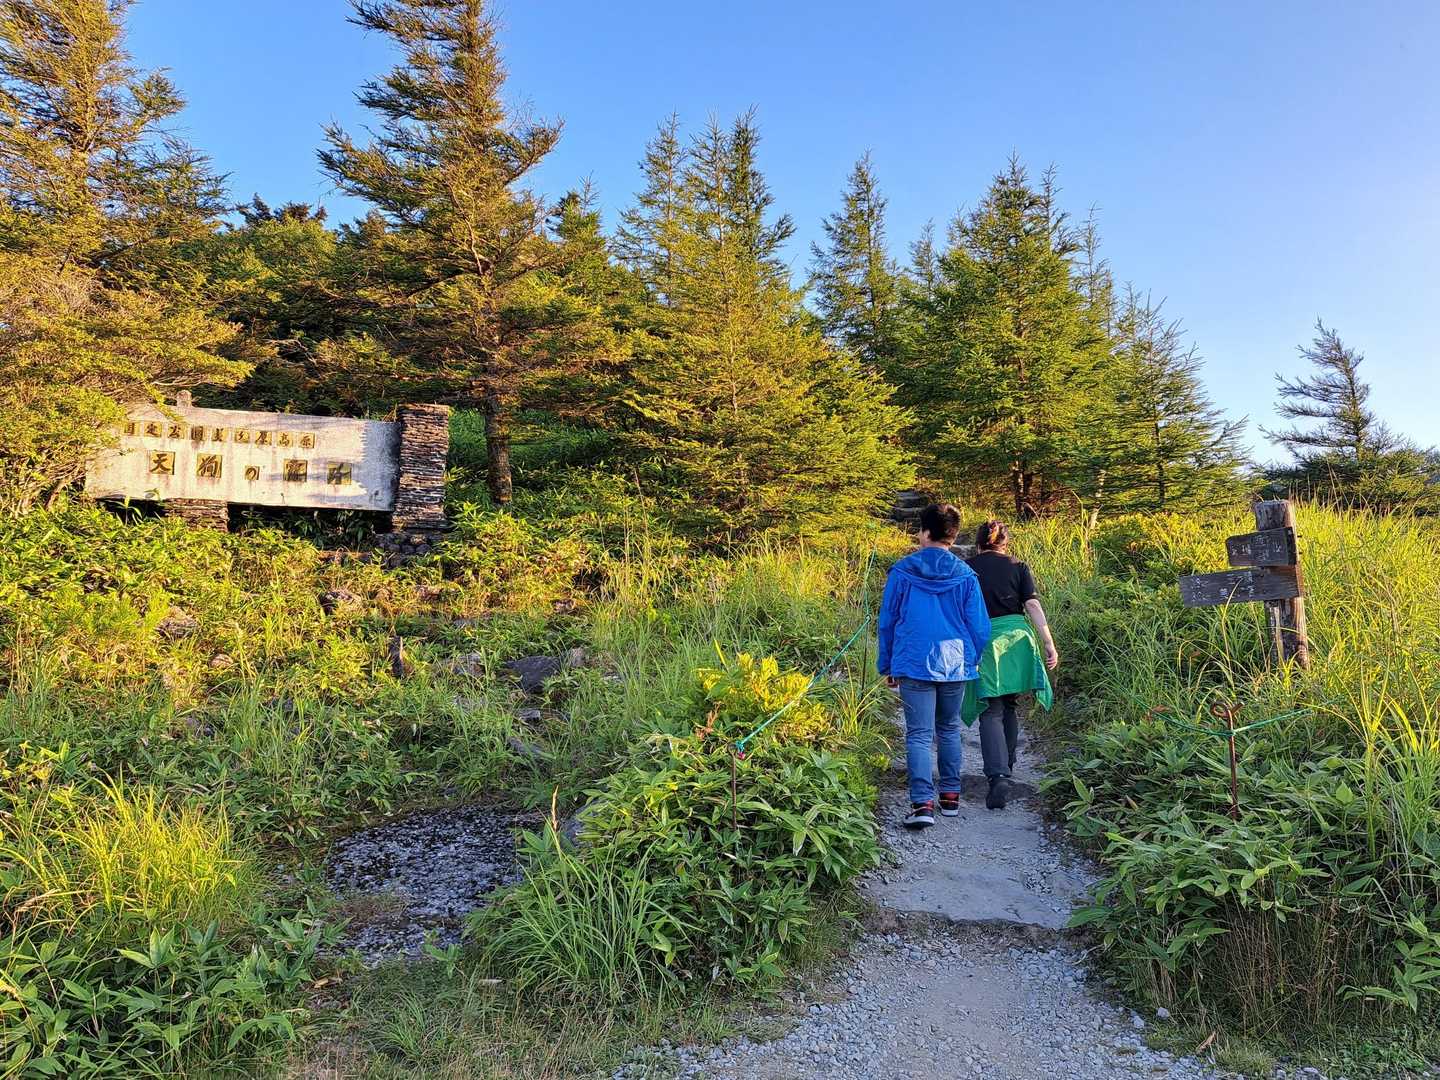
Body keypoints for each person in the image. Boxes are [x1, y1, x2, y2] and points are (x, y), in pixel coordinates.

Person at [877, 503, 992, 829]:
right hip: (955, 663)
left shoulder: (902, 572)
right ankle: (950, 797)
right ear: (953, 535)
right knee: (949, 729)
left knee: (918, 734)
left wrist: (887, 664)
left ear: (925, 532)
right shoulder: (966, 575)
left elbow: (887, 621)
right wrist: (972, 659)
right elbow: (980, 627)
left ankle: (922, 804)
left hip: (913, 662)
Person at [964, 520, 1059, 810]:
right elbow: (1032, 605)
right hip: (1018, 639)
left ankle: (998, 776)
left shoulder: (967, 568)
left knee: (990, 708)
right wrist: (1048, 642)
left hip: (985, 639)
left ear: (978, 544)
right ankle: (1008, 765)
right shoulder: (1019, 566)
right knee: (1009, 704)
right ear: (1006, 544)